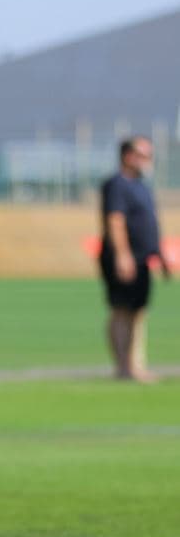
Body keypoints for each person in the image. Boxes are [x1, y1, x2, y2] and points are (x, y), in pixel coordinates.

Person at [99, 136, 168, 381]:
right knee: (122, 310)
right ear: (128, 156)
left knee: (138, 312)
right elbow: (115, 221)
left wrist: (159, 254)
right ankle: (123, 366)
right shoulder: (117, 185)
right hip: (125, 258)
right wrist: (122, 254)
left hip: (142, 258)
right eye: (143, 155)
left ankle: (135, 364)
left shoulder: (140, 185)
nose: (148, 160)